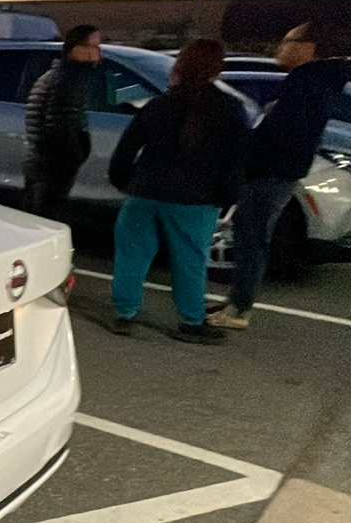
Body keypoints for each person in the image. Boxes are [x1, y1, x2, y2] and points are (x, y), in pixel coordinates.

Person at [208, 21, 351, 329]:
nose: (280, 48)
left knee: (252, 238)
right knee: (252, 237)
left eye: (288, 41)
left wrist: (251, 148)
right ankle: (236, 301)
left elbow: (283, 134)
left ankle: (238, 311)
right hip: (278, 171)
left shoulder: (307, 83)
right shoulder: (314, 81)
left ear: (308, 47)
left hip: (271, 172)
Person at [107, 39, 249, 345]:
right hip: (195, 199)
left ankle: (125, 314)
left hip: (145, 192)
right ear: (217, 69)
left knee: (132, 254)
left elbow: (126, 149)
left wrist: (125, 181)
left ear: (179, 66)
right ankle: (191, 321)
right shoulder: (229, 110)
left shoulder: (159, 105)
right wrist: (227, 196)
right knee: (190, 261)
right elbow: (236, 160)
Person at [22, 24, 102, 219]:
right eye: (92, 46)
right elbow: (60, 123)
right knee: (44, 217)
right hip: (53, 163)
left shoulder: (57, 76)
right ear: (75, 48)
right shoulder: (69, 79)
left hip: (42, 160)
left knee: (36, 213)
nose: (97, 52)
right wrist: (75, 154)